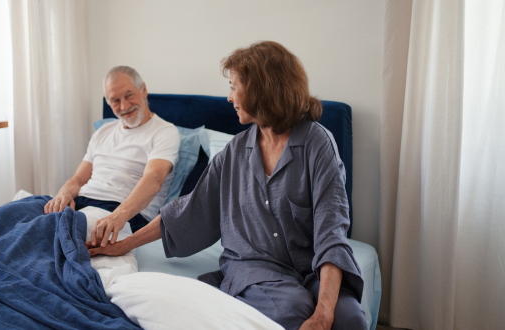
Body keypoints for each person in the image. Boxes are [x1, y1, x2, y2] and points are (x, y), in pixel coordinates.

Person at [87, 42, 366, 330]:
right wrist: (124, 244)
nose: (230, 98)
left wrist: (323, 314)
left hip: (312, 269)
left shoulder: (317, 143)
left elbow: (332, 233)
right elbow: (187, 211)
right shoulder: (235, 151)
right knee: (293, 309)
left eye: (234, 87)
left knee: (350, 320)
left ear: (261, 88)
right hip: (254, 266)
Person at [44, 66, 180, 245]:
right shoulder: (103, 131)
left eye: (129, 95)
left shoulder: (164, 132)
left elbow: (154, 179)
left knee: (45, 230)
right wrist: (63, 195)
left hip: (122, 211)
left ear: (144, 90)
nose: (124, 106)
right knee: (18, 212)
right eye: (115, 100)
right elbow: (78, 179)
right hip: (82, 202)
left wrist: (117, 217)